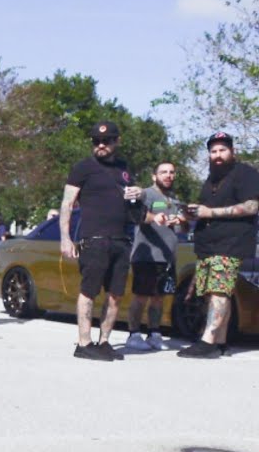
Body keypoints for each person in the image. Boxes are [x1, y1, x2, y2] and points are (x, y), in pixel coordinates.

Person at [59, 121, 140, 361]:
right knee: (89, 291)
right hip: (94, 239)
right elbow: (67, 203)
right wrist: (65, 238)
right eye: (96, 141)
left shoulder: (124, 169)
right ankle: (84, 343)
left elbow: (133, 202)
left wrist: (139, 193)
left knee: (115, 294)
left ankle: (104, 341)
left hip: (121, 240)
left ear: (117, 141)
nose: (101, 145)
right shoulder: (83, 168)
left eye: (106, 141)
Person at [177, 131, 259, 359]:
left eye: (223, 150)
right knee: (217, 293)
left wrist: (210, 212)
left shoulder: (246, 174)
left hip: (230, 244)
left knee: (219, 292)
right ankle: (221, 342)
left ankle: (207, 341)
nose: (218, 155)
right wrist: (192, 214)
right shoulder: (211, 180)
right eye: (213, 151)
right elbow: (205, 211)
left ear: (233, 151)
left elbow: (252, 207)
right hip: (208, 247)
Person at [124, 161, 184, 352]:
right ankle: (133, 335)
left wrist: (181, 221)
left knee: (159, 298)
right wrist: (152, 215)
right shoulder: (148, 194)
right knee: (141, 297)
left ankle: (154, 333)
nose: (168, 175)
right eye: (163, 172)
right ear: (154, 176)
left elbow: (182, 227)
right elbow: (138, 208)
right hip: (146, 256)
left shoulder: (173, 198)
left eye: (171, 172)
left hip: (167, 258)